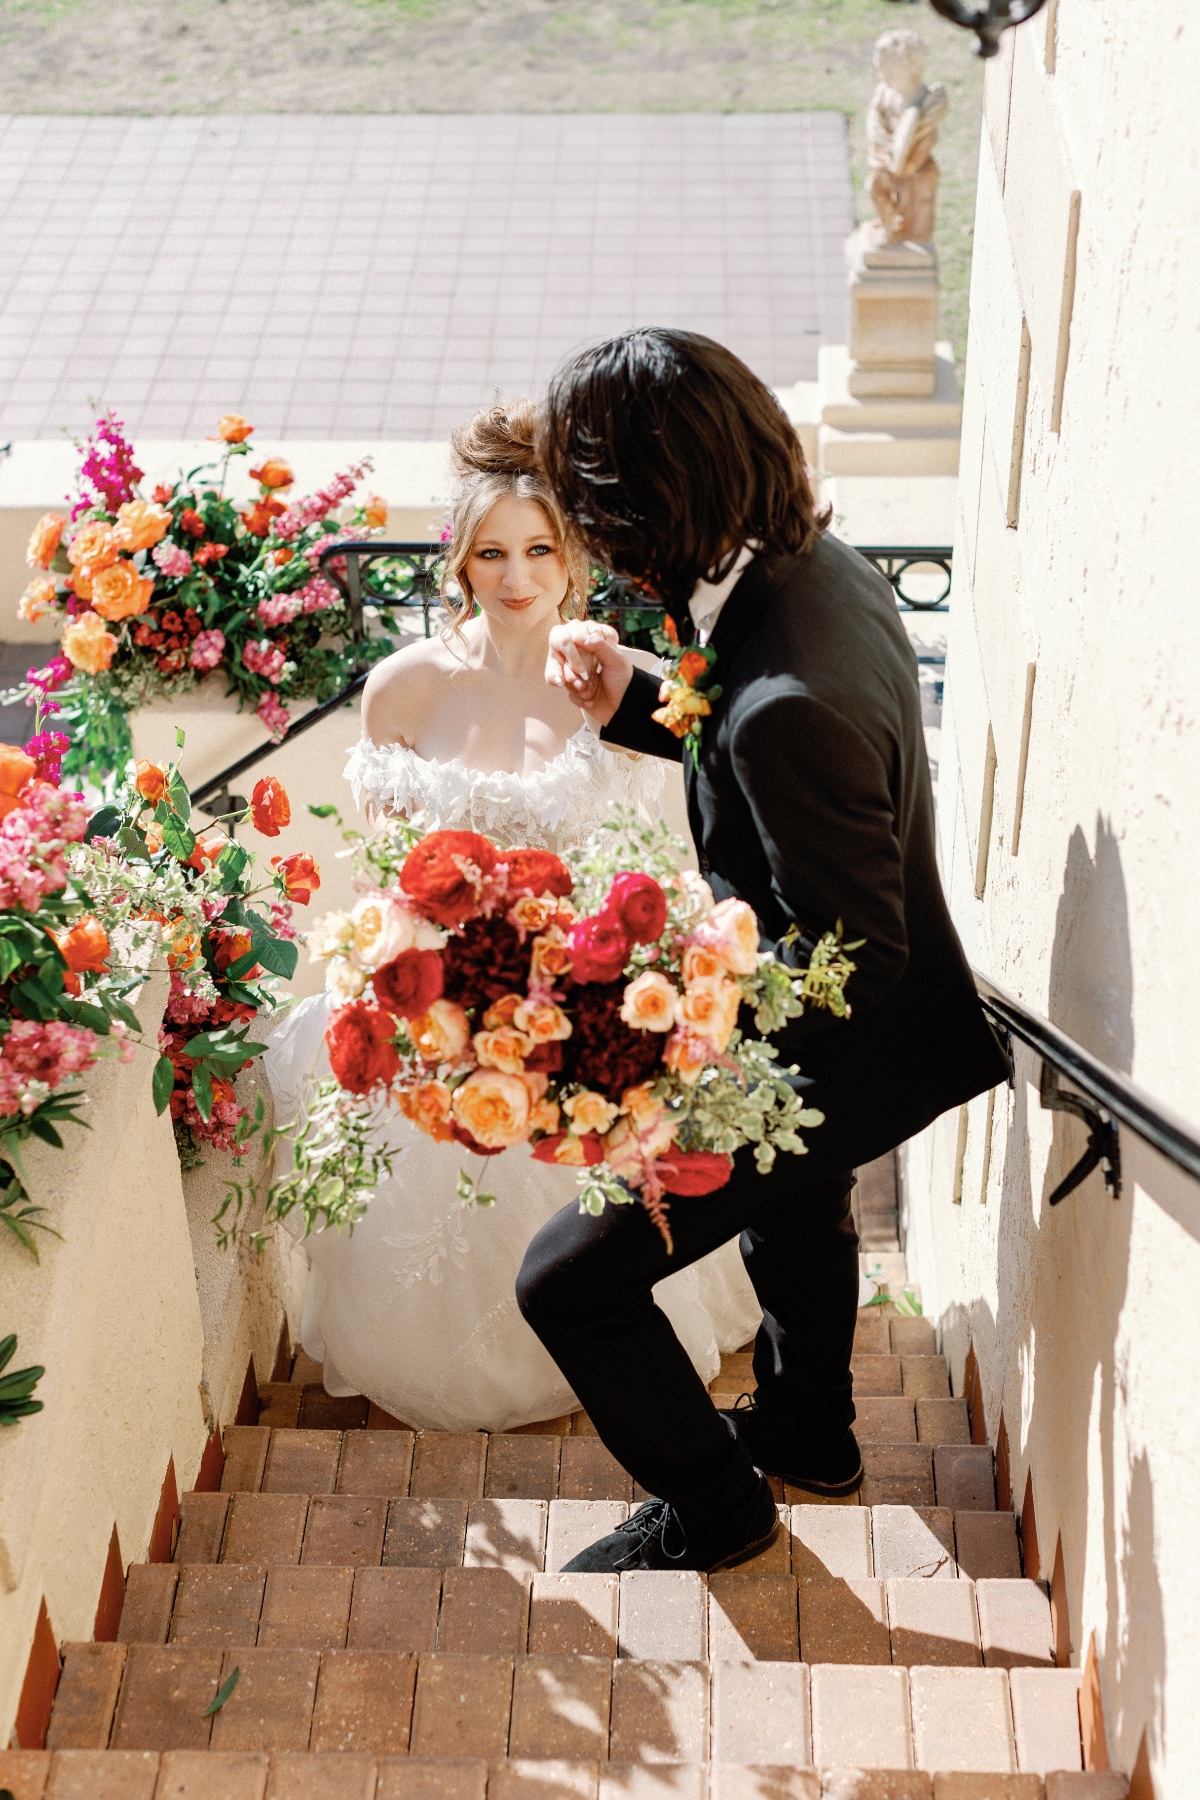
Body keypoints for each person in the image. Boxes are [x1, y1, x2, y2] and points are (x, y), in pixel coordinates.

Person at [517, 327, 1010, 1571]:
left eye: (583, 503)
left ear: (642, 503)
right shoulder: (803, 568)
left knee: (566, 1278)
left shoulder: (787, 697)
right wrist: (634, 701)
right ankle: (808, 1432)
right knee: (800, 1214)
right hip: (866, 1026)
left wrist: (664, 1036)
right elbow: (741, 731)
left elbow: (856, 952)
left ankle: (723, 1511)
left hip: (836, 1050)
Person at [264, 397, 761, 1432]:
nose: (519, 578)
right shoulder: (401, 690)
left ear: (575, 558)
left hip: (567, 1006)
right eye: (493, 554)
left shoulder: (615, 687)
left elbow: (657, 857)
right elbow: (385, 870)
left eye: (541, 550)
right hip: (437, 1002)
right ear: (461, 563)